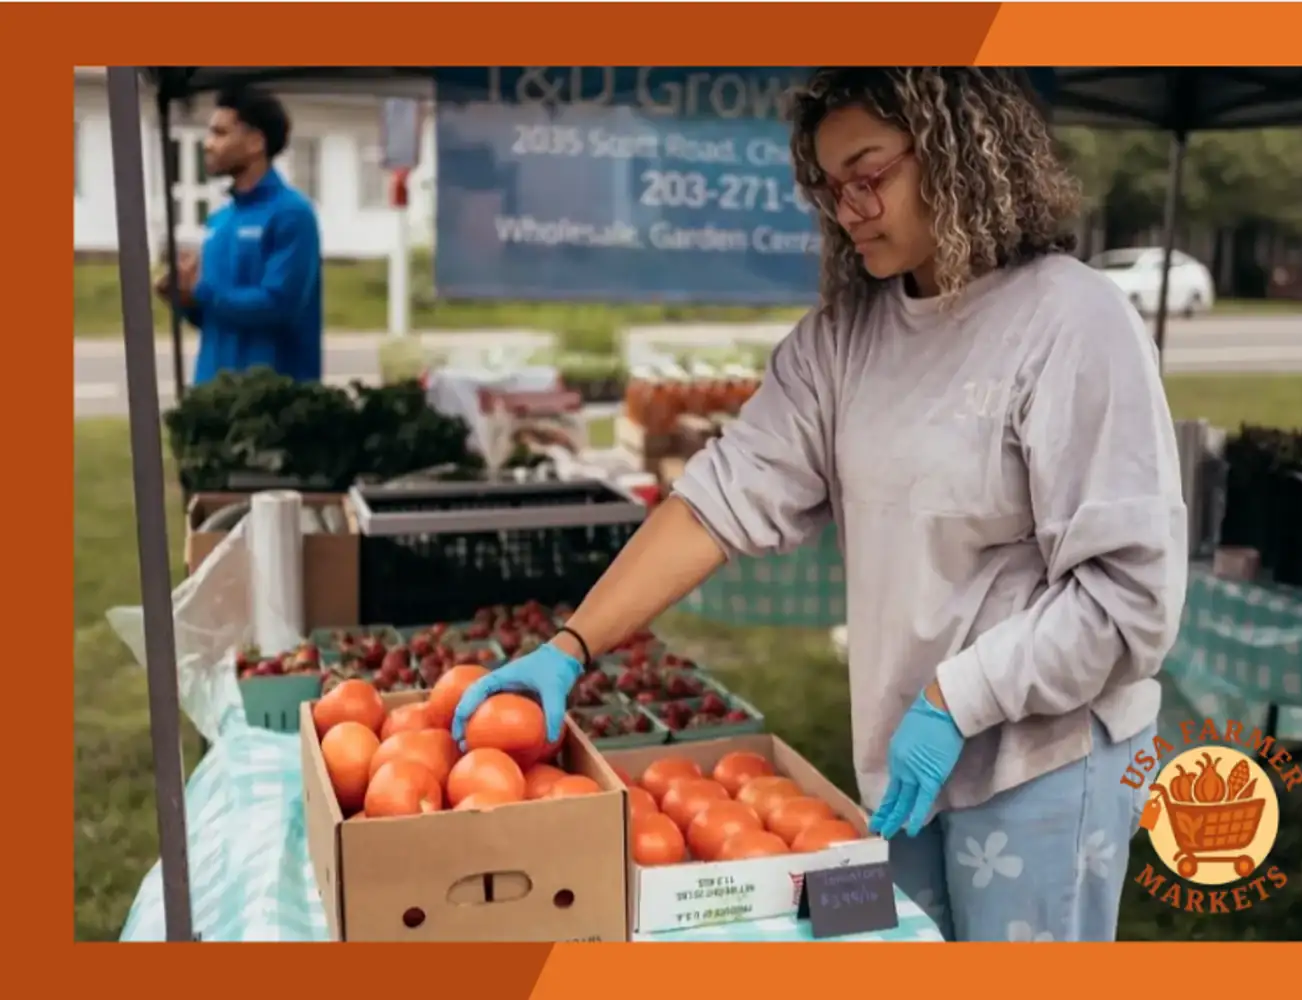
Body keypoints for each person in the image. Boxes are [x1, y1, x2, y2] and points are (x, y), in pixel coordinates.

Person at [451, 68, 1187, 943]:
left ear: (955, 154)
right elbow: (719, 500)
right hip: (905, 760)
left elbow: (1129, 600)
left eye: (870, 174)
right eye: (831, 188)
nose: (850, 208)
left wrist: (959, 697)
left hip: (1042, 762)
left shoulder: (1073, 323)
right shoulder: (844, 341)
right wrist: (570, 648)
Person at [156, 87, 323, 385]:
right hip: (213, 397)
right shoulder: (221, 220)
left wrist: (202, 291)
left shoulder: (292, 213)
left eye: (220, 134)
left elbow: (278, 305)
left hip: (273, 404)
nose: (207, 145)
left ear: (255, 142)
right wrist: (183, 297)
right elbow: (215, 314)